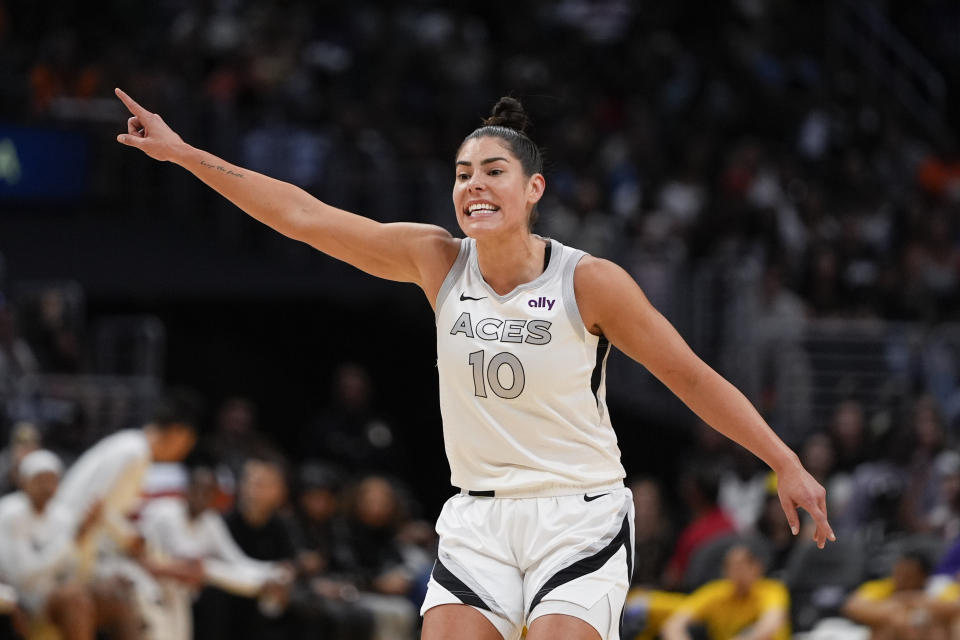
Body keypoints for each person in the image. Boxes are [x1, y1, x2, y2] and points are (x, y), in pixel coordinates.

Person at [115, 89, 834, 640]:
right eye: (463, 174)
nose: (474, 186)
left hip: (577, 514)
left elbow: (691, 378)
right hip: (477, 518)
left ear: (533, 190)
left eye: (494, 171)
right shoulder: (436, 260)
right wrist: (183, 154)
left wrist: (783, 461)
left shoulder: (589, 282)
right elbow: (303, 217)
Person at [50, 388, 200, 577]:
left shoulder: (133, 447)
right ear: (177, 433)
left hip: (77, 540)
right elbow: (94, 507)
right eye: (186, 445)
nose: (182, 454)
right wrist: (129, 538)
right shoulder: (133, 452)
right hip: (68, 542)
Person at [137, 463, 292, 640]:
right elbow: (148, 556)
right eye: (198, 490)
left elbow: (235, 560)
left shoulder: (210, 520)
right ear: (187, 490)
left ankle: (269, 580)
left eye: (208, 492)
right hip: (149, 587)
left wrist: (272, 570)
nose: (202, 497)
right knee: (209, 572)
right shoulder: (165, 512)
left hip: (181, 593)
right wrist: (257, 584)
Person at [0, 449, 140, 640]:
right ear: (24, 481)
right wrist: (73, 540)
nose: (47, 487)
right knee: (74, 598)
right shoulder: (10, 512)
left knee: (117, 597)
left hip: (63, 591)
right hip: (26, 598)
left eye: (52, 480)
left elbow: (79, 569)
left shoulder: (62, 515)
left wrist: (103, 575)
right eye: (40, 480)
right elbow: (24, 576)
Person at [661, 544, 790, 640]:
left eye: (743, 567)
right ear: (725, 572)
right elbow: (673, 624)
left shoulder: (772, 590)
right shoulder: (715, 592)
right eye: (732, 568)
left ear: (757, 568)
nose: (738, 574)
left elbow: (770, 625)